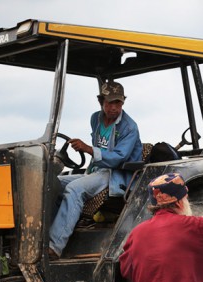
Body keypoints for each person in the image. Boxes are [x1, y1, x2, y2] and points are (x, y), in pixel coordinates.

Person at [48, 81, 143, 259]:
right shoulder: (96, 119)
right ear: (101, 101)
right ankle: (47, 235)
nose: (114, 107)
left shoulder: (130, 127)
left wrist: (89, 149)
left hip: (117, 174)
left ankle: (54, 246)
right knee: (54, 183)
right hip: (97, 170)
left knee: (74, 189)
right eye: (110, 103)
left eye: (118, 103)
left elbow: (118, 158)